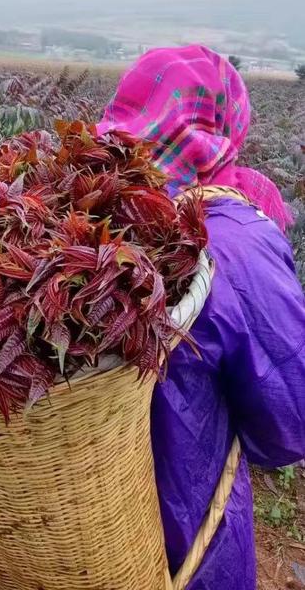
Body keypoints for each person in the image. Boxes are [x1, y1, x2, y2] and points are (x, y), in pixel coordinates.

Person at [99, 45, 305, 589]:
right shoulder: (234, 242)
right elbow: (289, 423)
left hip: (58, 531)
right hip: (182, 536)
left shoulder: (70, 210)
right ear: (223, 124)